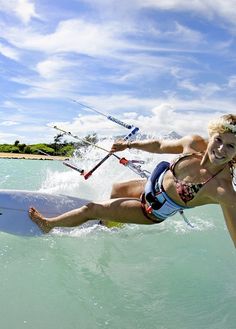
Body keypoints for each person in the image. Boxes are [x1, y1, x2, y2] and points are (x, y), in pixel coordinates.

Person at [29, 114, 236, 247]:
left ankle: (48, 225)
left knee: (91, 209)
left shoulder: (222, 189)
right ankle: (110, 225)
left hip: (151, 210)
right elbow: (159, 145)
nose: (220, 149)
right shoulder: (192, 143)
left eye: (231, 146)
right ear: (212, 135)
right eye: (219, 140)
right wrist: (129, 146)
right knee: (115, 189)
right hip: (149, 187)